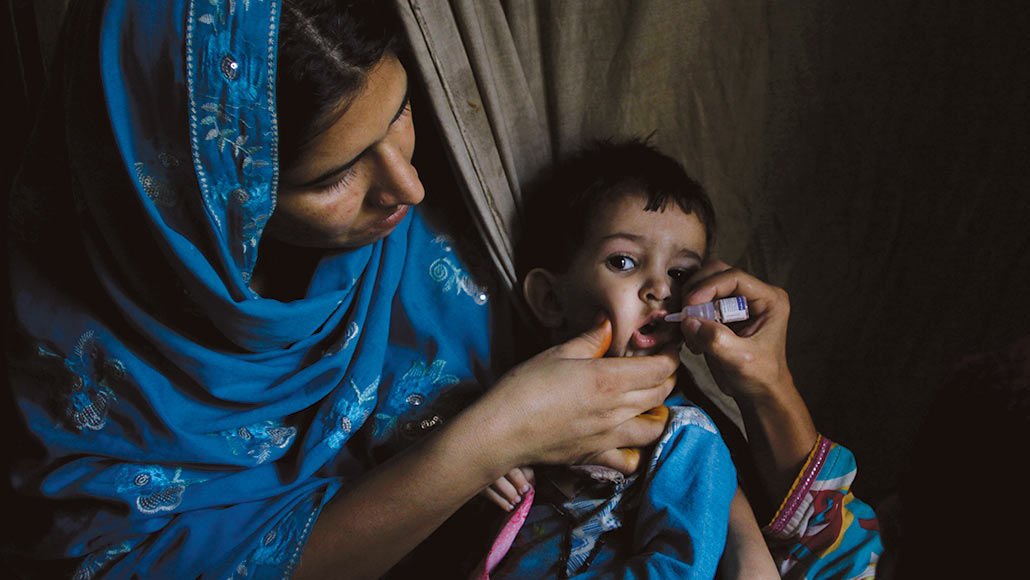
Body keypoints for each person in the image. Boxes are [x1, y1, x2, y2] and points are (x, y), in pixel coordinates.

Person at [4, 2, 680, 579]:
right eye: (333, 178)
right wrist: (489, 440)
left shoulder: (452, 239)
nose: (408, 189)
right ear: (196, 194)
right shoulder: (82, 372)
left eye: (401, 113)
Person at [474, 139, 778, 579]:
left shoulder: (686, 439)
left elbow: (679, 570)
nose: (661, 289)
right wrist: (483, 465)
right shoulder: (503, 406)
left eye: (680, 273)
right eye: (623, 261)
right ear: (550, 299)